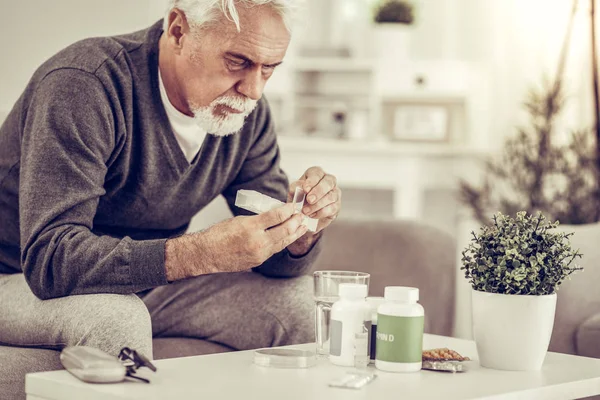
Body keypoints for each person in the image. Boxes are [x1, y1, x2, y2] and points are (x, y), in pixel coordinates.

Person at [0, 0, 342, 361]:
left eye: (269, 68)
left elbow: (275, 263)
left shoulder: (246, 115)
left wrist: (301, 231)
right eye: (237, 62)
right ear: (179, 30)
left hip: (145, 285)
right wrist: (200, 253)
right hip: (17, 276)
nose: (253, 90)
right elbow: (50, 260)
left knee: (302, 303)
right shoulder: (86, 84)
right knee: (116, 317)